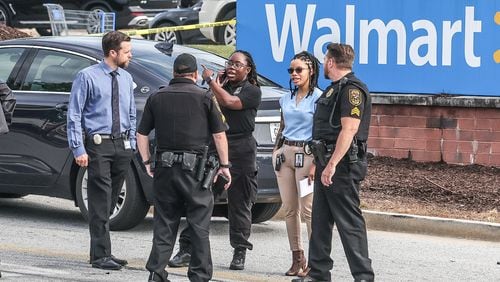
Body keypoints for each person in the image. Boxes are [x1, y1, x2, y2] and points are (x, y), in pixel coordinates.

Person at [137, 53, 231, 282]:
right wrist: (225, 166)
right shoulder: (206, 97)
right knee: (199, 225)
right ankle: (199, 276)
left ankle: (156, 273)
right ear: (195, 74)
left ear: (174, 73)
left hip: (165, 169)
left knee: (164, 223)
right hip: (196, 172)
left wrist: (148, 161)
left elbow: (141, 134)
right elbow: (219, 136)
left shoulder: (156, 97)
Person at [169, 50, 262, 271]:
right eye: (229, 62)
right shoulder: (220, 87)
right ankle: (187, 249)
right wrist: (215, 84)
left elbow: (229, 102)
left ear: (247, 70)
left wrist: (211, 80)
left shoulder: (252, 91)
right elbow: (207, 106)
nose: (231, 67)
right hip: (215, 148)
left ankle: (239, 250)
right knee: (201, 199)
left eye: (237, 64)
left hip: (241, 149)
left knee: (240, 203)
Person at [293, 43, 374, 282]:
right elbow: (328, 131)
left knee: (349, 223)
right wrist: (319, 163)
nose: (324, 63)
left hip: (343, 166)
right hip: (326, 161)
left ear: (330, 62)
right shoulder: (334, 89)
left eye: (325, 59)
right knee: (320, 221)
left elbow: (349, 130)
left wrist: (332, 165)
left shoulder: (352, 90)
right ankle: (318, 274)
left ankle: (363, 276)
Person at [67, 31, 136, 271]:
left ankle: (102, 250)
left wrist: (132, 144)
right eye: (127, 52)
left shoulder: (126, 78)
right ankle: (100, 256)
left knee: (109, 202)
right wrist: (78, 148)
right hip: (98, 146)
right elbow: (74, 115)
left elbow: (130, 113)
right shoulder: (87, 77)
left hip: (122, 145)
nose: (130, 55)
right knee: (99, 199)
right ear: (113, 52)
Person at [272, 51, 321, 276]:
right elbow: (282, 127)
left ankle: (315, 260)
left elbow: (321, 133)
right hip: (285, 155)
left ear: (311, 70)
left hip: (307, 156)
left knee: (308, 209)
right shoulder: (286, 98)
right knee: (289, 208)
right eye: (291, 70)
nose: (294, 74)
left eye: (298, 69)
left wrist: (316, 164)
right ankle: (297, 257)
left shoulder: (318, 98)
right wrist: (276, 151)